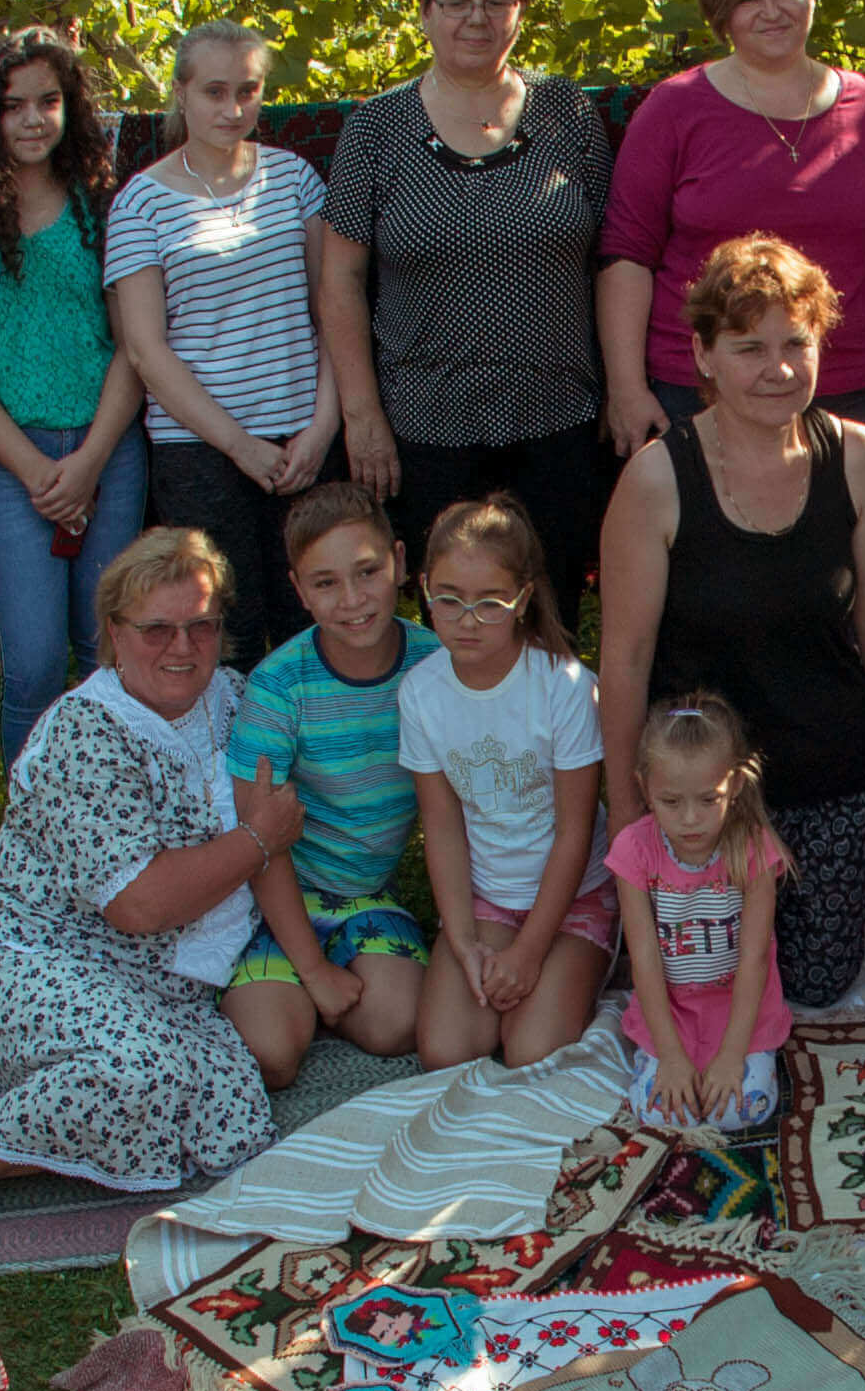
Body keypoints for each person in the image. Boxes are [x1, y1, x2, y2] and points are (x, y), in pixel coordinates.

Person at [0, 530, 288, 1242]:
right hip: (36, 953)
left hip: (160, 984)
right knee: (145, 1077)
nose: (183, 647)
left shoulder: (236, 701)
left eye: (202, 626)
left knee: (226, 1108)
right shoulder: (84, 731)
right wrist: (257, 840)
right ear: (114, 634)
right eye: (156, 629)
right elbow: (139, 904)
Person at [595, 233, 865, 1013]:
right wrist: (629, 808)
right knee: (697, 983)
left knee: (815, 983)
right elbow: (626, 655)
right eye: (749, 348)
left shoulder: (858, 458)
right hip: (698, 791)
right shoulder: (655, 478)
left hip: (827, 770)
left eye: (796, 344)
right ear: (703, 355)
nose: (778, 369)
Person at [319, 0, 617, 612]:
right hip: (427, 425)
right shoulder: (376, 129)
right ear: (426, 12)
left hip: (559, 416)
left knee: (551, 615)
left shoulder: (567, 113)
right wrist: (361, 415)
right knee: (453, 619)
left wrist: (621, 388)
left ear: (522, 10)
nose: (476, 18)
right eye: (457, 2)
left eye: (496, 0)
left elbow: (613, 260)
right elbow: (339, 281)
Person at [597, 0, 865, 451]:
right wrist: (626, 388)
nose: (771, 12)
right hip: (703, 390)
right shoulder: (673, 108)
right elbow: (626, 254)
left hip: (852, 388)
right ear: (721, 12)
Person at [0, 26, 147, 758]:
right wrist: (38, 471)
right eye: (12, 105)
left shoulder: (104, 208)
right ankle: (32, 822)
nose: (32, 120)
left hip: (108, 451)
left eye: (48, 101)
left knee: (108, 654)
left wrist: (89, 461)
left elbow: (133, 346)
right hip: (14, 463)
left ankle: (114, 809)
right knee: (35, 664)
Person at [106, 18, 329, 667]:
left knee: (315, 624)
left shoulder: (295, 179)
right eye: (214, 91)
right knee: (225, 632)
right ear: (180, 92)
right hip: (200, 452)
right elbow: (146, 350)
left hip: (302, 443)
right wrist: (238, 445)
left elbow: (333, 310)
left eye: (247, 91)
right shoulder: (140, 204)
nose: (232, 109)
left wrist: (321, 429)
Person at [222, 482, 438, 1084]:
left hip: (368, 895)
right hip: (277, 899)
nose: (352, 600)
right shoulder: (279, 685)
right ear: (298, 589)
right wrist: (314, 970)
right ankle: (297, 986)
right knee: (269, 1053)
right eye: (325, 583)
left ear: (398, 562)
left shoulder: (434, 666)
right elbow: (259, 840)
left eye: (367, 572)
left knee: (397, 1026)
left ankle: (313, 993)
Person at [398, 494, 612, 1069]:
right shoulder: (420, 692)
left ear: (523, 600)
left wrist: (530, 953)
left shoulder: (564, 686)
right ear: (424, 588)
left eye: (490, 602)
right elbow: (442, 827)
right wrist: (463, 941)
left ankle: (596, 958)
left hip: (574, 894)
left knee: (530, 1051)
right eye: (449, 599)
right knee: (445, 1051)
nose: (468, 620)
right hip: (488, 897)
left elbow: (573, 833)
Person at [607, 694, 793, 1130]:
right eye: (671, 802)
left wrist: (732, 1054)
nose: (690, 819)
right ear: (644, 788)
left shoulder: (753, 847)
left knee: (738, 1112)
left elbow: (754, 958)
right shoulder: (634, 850)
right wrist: (671, 1056)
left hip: (741, 1013)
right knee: (664, 1114)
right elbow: (645, 959)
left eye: (709, 800)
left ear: (737, 785)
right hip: (670, 1012)